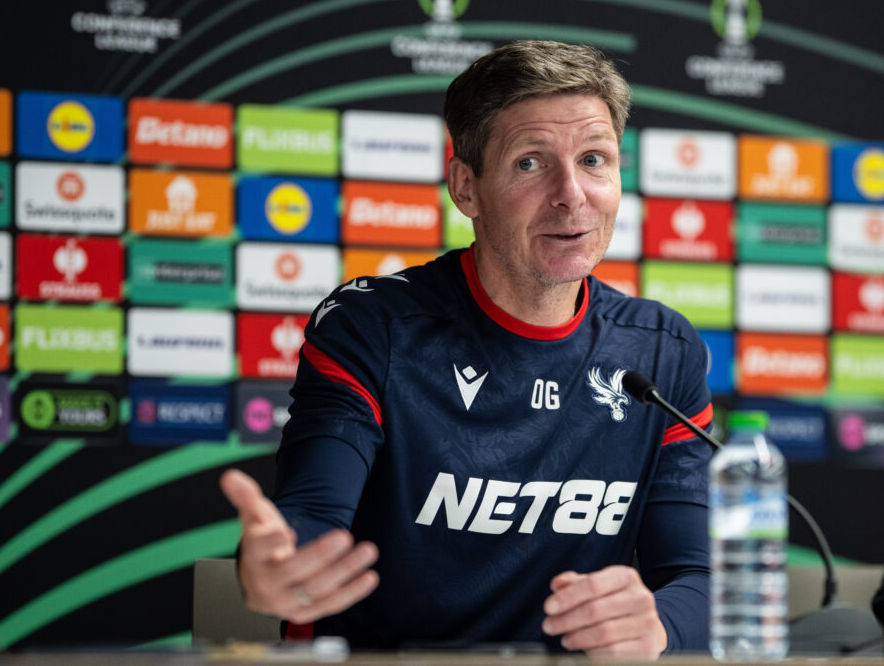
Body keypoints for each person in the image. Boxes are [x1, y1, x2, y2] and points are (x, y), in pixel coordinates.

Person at [221, 40, 713, 657]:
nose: (571, 194)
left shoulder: (663, 352)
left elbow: (698, 576)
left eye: (594, 159)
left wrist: (659, 625)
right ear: (466, 187)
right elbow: (314, 510)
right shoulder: (374, 325)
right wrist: (277, 563)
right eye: (530, 163)